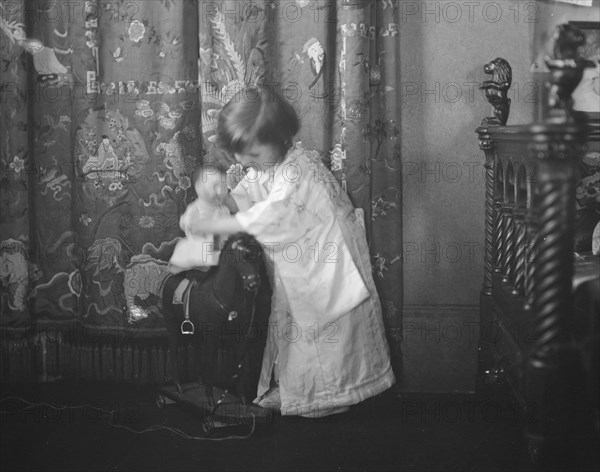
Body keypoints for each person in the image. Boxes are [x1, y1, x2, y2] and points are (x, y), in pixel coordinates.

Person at [188, 85, 395, 417]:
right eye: (240, 155)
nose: (244, 163)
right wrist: (225, 202)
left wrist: (230, 223)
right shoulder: (273, 165)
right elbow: (250, 191)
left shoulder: (299, 171)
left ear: (279, 139)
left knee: (329, 327)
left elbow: (274, 212)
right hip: (304, 259)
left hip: (327, 258)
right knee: (298, 326)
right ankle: (297, 390)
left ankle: (333, 393)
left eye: (252, 156)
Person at [168, 165, 230, 274]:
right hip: (201, 243)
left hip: (221, 246)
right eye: (214, 186)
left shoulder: (224, 210)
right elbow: (185, 223)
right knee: (195, 247)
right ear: (198, 187)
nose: (220, 192)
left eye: (224, 187)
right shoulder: (195, 208)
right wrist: (190, 224)